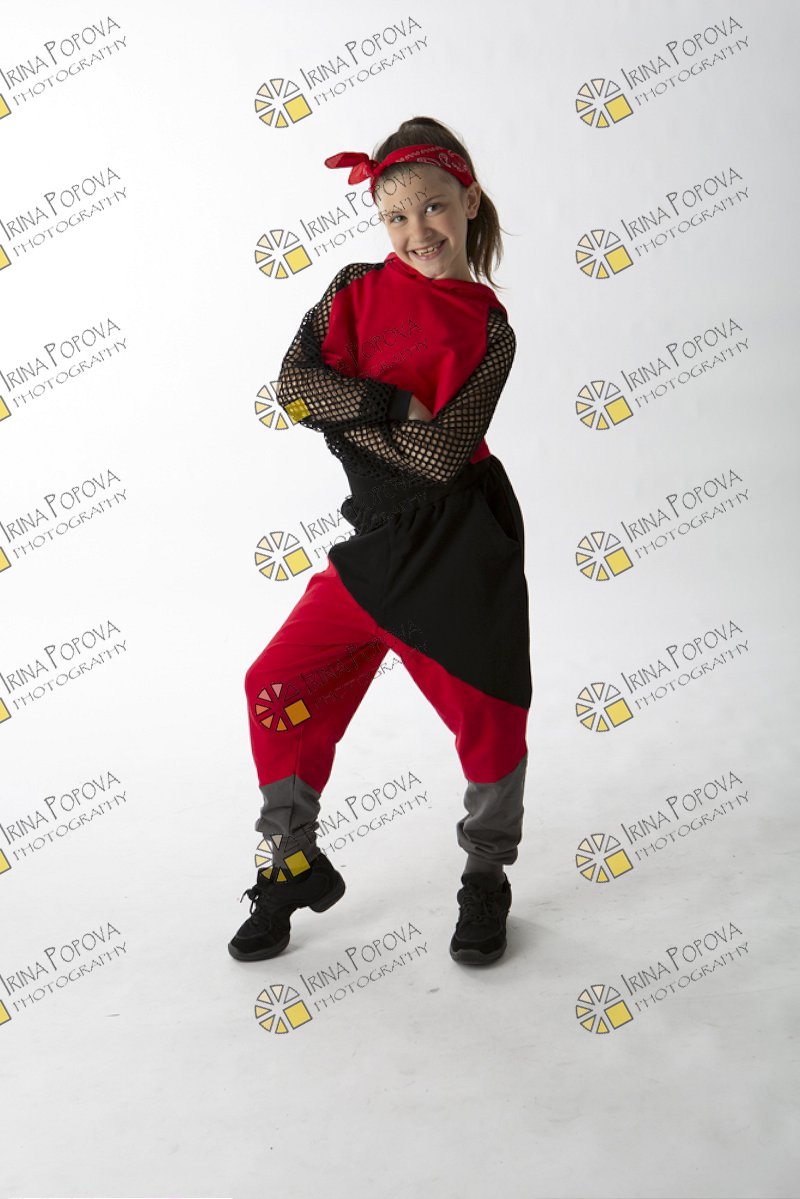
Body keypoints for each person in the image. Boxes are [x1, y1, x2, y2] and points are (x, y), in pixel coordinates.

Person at [228, 115, 532, 967]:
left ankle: (486, 873)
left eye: (433, 206)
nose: (416, 230)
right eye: (395, 215)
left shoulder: (490, 329)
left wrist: (341, 409)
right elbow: (292, 388)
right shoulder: (353, 289)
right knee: (276, 685)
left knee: (489, 719)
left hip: (459, 542)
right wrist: (394, 403)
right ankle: (290, 861)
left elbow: (439, 459)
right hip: (378, 542)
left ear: (469, 201)